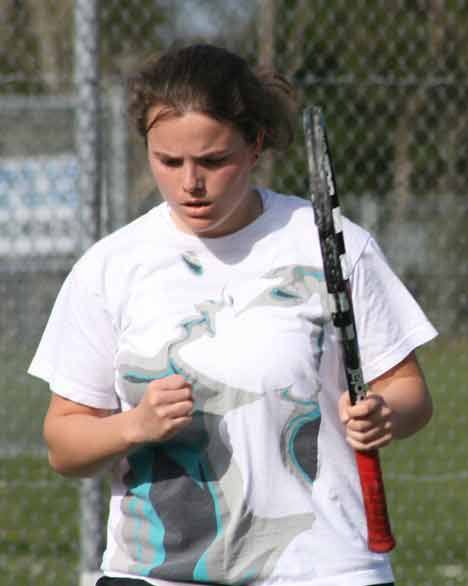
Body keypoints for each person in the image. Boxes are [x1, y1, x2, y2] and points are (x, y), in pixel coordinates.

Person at [29, 43, 437, 586]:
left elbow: (410, 394)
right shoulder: (110, 267)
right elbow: (64, 444)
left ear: (255, 144)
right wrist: (135, 425)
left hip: (323, 569)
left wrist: (385, 412)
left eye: (213, 161)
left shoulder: (333, 245)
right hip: (155, 574)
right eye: (168, 161)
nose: (189, 183)